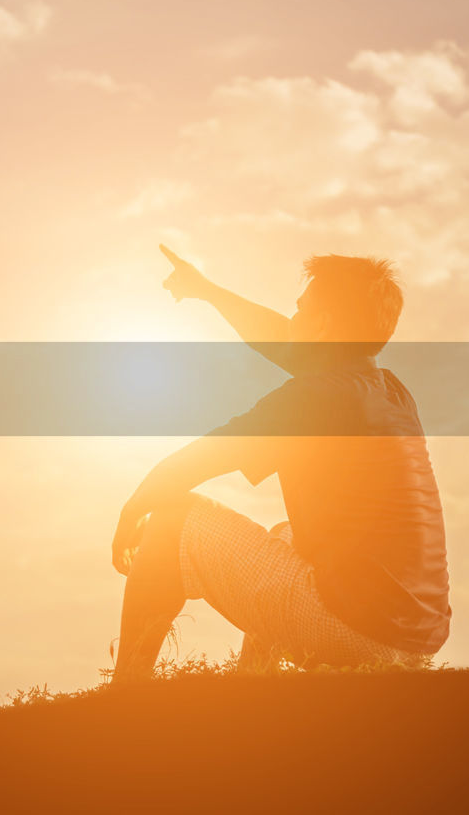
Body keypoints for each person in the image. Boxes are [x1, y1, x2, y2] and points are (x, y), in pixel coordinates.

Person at [110, 246, 451, 680]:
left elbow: (198, 460)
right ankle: (256, 684)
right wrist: (208, 291)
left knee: (170, 519)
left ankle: (124, 693)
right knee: (286, 536)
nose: (290, 320)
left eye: (300, 310)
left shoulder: (314, 398)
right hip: (415, 643)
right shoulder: (391, 391)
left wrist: (131, 510)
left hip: (356, 632)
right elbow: (287, 344)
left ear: (323, 326)